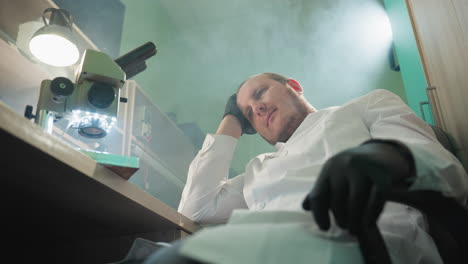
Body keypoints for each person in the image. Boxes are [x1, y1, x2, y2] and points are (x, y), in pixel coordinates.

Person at [144, 72, 468, 264]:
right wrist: (230, 122)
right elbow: (196, 208)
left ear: (293, 86)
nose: (256, 108)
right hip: (260, 248)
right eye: (248, 113)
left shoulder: (364, 107)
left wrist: (385, 157)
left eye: (260, 93)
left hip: (362, 243)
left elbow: (447, 171)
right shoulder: (259, 168)